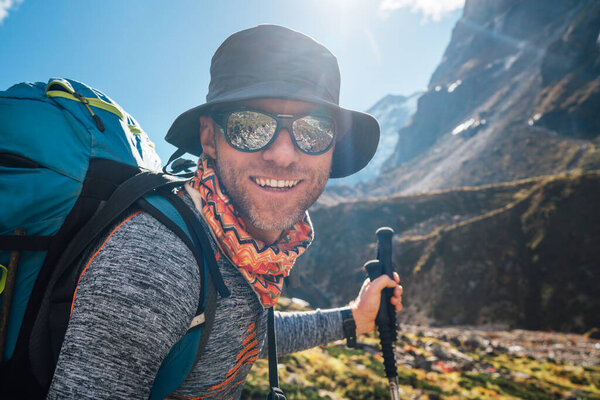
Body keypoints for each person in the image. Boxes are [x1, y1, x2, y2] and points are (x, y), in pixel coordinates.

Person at [47, 25, 403, 399]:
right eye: (249, 126)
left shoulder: (250, 253)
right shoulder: (156, 264)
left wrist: (355, 318)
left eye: (314, 130)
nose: (282, 154)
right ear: (208, 138)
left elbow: (242, 330)